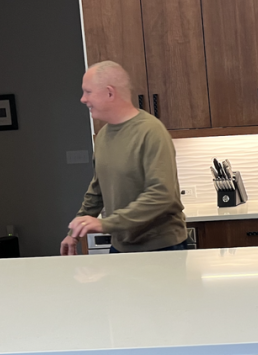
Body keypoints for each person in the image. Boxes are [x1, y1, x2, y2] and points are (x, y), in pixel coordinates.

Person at [61, 61, 188, 255]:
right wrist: (74, 233)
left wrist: (107, 223)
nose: (82, 99)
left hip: (160, 248)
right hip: (121, 246)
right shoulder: (103, 136)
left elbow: (162, 195)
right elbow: (97, 192)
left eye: (88, 92)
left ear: (110, 93)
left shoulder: (151, 131)